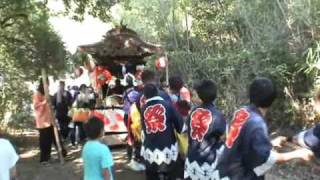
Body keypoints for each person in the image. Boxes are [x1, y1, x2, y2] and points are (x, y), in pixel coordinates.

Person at [214, 77, 313, 180]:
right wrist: (297, 154)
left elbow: (244, 143)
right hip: (239, 175)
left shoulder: (241, 112)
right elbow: (266, 158)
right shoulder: (257, 123)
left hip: (223, 171)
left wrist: (269, 143)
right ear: (272, 100)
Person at [184, 80, 226, 180]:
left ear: (200, 97)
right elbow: (224, 137)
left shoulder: (193, 112)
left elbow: (186, 131)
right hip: (208, 162)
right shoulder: (217, 115)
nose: (193, 97)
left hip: (191, 159)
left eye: (194, 94)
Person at [141, 84, 184, 180]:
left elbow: (143, 128)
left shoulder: (143, 109)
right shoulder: (168, 105)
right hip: (167, 146)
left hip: (150, 148)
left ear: (145, 96)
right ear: (157, 92)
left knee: (152, 175)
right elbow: (179, 124)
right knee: (171, 174)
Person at [33, 78, 66, 165]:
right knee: (45, 141)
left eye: (48, 84)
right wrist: (44, 102)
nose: (48, 86)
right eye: (46, 84)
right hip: (43, 122)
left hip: (50, 120)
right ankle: (44, 159)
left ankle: (62, 154)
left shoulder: (47, 94)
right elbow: (36, 106)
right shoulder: (37, 94)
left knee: (57, 138)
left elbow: (51, 106)